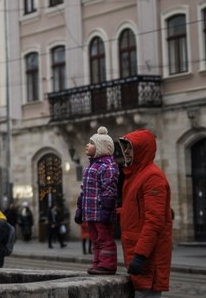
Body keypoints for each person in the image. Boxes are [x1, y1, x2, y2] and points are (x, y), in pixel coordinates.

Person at [118, 129, 173, 297]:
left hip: (148, 260)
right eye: (125, 147)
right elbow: (134, 212)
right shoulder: (136, 176)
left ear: (142, 150)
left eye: (130, 148)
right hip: (138, 254)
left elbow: (154, 221)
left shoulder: (152, 178)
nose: (125, 152)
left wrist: (140, 256)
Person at [75, 126, 120, 275]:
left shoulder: (107, 166)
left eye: (92, 143)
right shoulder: (90, 166)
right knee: (95, 239)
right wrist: (80, 209)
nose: (87, 145)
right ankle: (98, 262)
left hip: (101, 212)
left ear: (100, 147)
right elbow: (85, 191)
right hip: (91, 212)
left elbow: (110, 190)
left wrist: (107, 211)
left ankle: (108, 264)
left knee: (104, 238)